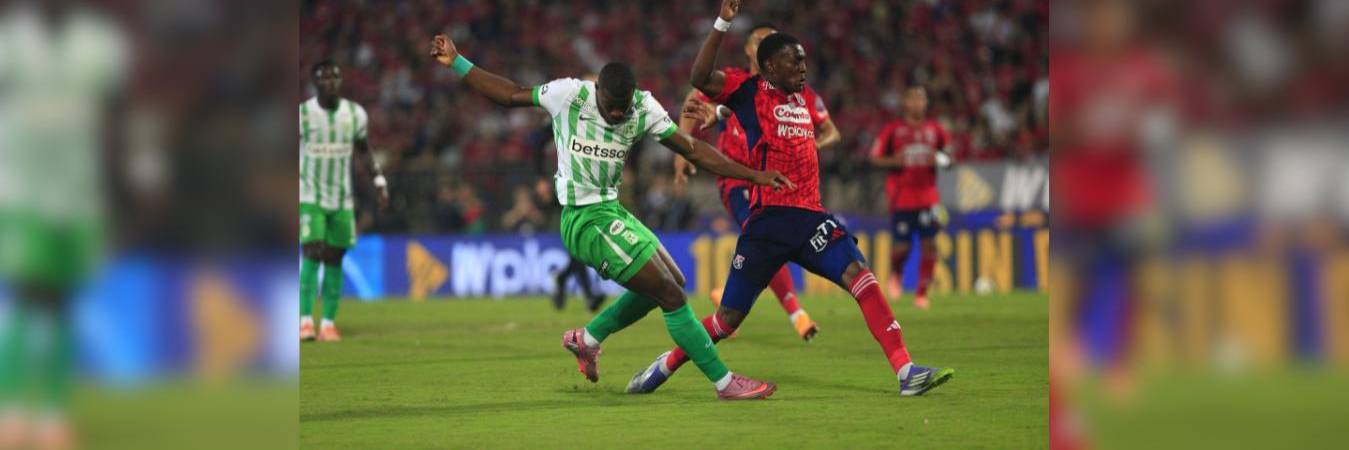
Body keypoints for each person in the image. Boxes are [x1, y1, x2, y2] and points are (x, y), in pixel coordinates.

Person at [429, 32, 794, 400]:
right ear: (596, 90)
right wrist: (458, 61)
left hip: (612, 211)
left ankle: (586, 339)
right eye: (611, 106)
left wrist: (753, 174)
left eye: (623, 107)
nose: (618, 113)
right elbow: (510, 95)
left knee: (673, 283)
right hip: (583, 220)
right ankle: (724, 382)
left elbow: (694, 150)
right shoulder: (570, 95)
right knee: (669, 294)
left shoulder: (642, 108)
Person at [627, 0, 954, 396]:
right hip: (768, 223)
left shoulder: (803, 97)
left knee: (859, 274)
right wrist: (722, 23)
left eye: (803, 62)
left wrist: (722, 117)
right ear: (769, 68)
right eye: (794, 63)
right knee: (727, 320)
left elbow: (801, 126)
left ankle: (906, 371)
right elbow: (700, 76)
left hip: (811, 216)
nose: (803, 69)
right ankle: (664, 365)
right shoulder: (749, 90)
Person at [675, 21, 829, 341]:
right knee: (764, 236)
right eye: (761, 39)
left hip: (771, 179)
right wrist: (681, 150)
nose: (768, 43)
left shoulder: (782, 93)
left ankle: (727, 296)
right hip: (736, 179)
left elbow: (754, 115)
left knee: (767, 244)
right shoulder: (737, 82)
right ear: (750, 50)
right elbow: (695, 99)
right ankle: (797, 314)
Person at [299, 60, 390, 342]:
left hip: (341, 198)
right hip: (309, 194)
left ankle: (327, 323)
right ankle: (304, 322)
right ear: (315, 82)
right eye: (323, 78)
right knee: (313, 251)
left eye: (334, 77)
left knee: (335, 256)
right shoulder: (302, 115)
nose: (330, 82)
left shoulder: (354, 114)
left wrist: (378, 180)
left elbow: (364, 149)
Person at [868, 85, 952, 310]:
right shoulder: (893, 130)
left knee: (930, 244)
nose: (917, 103)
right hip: (902, 198)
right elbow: (874, 158)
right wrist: (892, 162)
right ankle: (896, 273)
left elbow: (950, 157)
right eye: (913, 99)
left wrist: (942, 159)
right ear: (905, 103)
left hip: (929, 198)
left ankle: (922, 293)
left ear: (926, 103)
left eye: (921, 99)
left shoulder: (936, 129)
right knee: (901, 248)